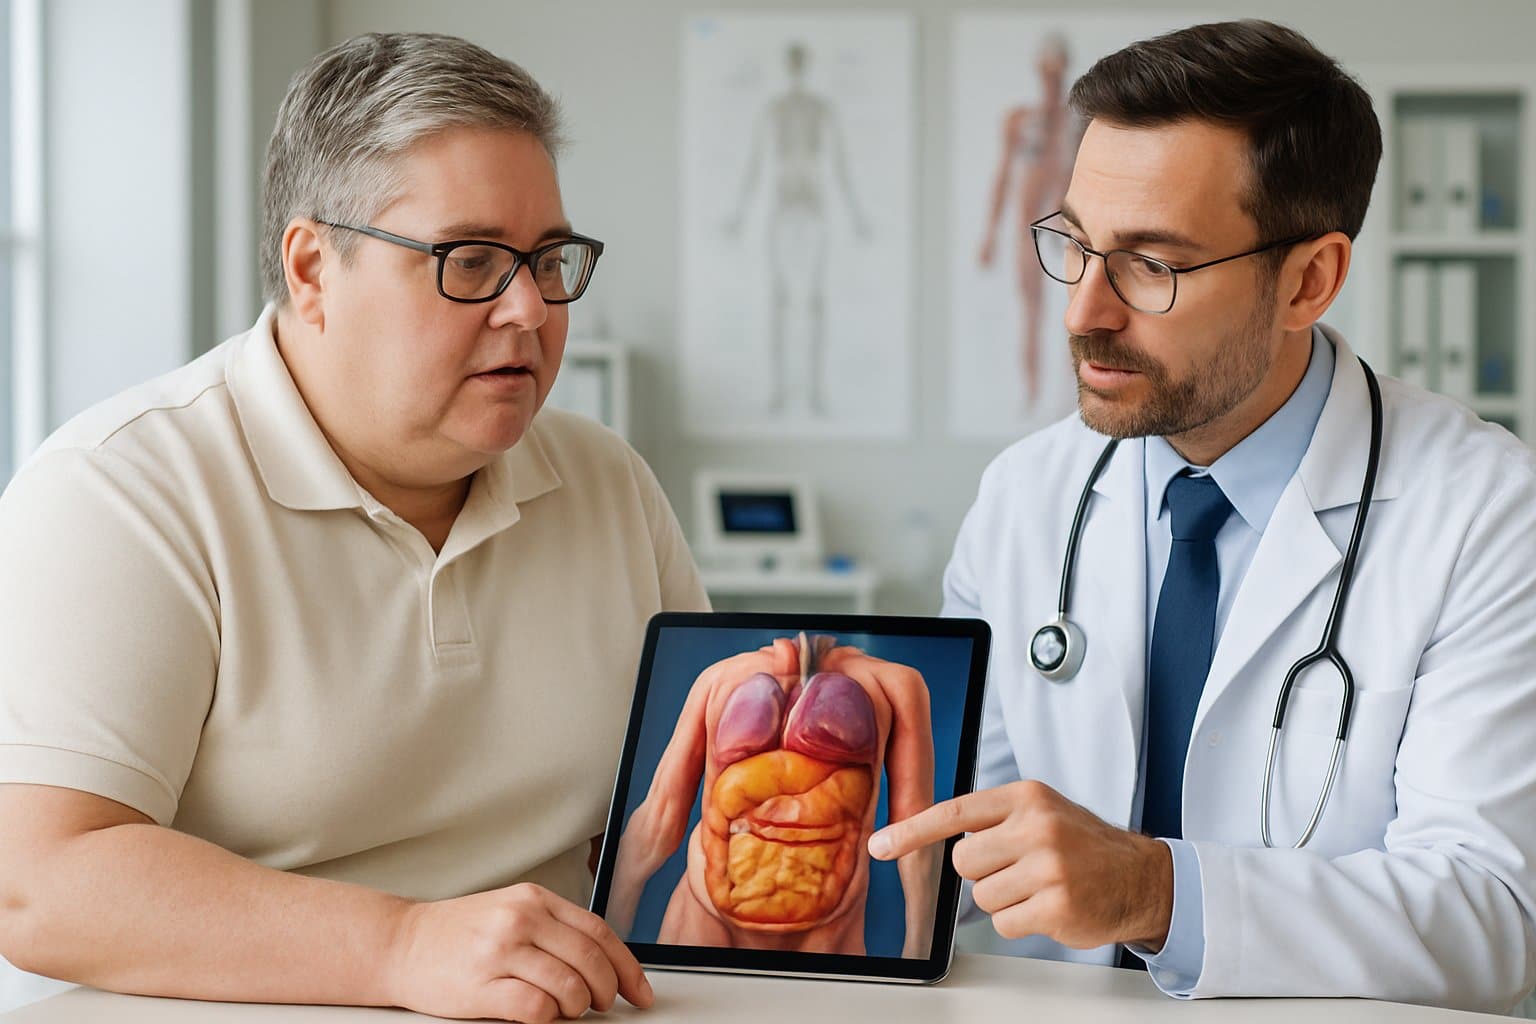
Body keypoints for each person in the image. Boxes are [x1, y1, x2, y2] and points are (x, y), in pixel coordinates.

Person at [0, 32, 707, 1023]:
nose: (528, 309)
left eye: (549, 259)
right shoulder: (122, 491)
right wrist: (400, 945)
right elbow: (40, 880)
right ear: (312, 269)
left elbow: (685, 824)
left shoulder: (608, 484)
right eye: (470, 261)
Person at [869, 19, 1536, 1014]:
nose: (1083, 311)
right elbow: (958, 850)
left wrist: (1153, 890)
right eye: (1075, 246)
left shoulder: (1485, 511)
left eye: (1152, 265)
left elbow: (1494, 916)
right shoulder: (1026, 495)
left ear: (1309, 279)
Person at [975, 33, 1084, 407]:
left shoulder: (1078, 122)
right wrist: (989, 235)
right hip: (1027, 228)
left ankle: (1067, 401)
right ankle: (1030, 395)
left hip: (1065, 230)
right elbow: (1003, 178)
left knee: (1072, 315)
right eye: (1046, 69)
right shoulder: (1021, 120)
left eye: (1057, 69)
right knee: (1031, 312)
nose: (1051, 77)